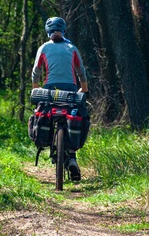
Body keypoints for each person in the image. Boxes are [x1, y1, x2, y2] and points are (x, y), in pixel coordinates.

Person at [32, 16, 88, 181]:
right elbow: (81, 71)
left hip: (49, 91)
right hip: (70, 91)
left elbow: (36, 71)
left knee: (43, 113)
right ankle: (72, 157)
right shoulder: (72, 47)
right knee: (78, 115)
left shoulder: (43, 48)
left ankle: (50, 141)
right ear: (63, 30)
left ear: (47, 31)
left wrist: (36, 89)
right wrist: (84, 89)